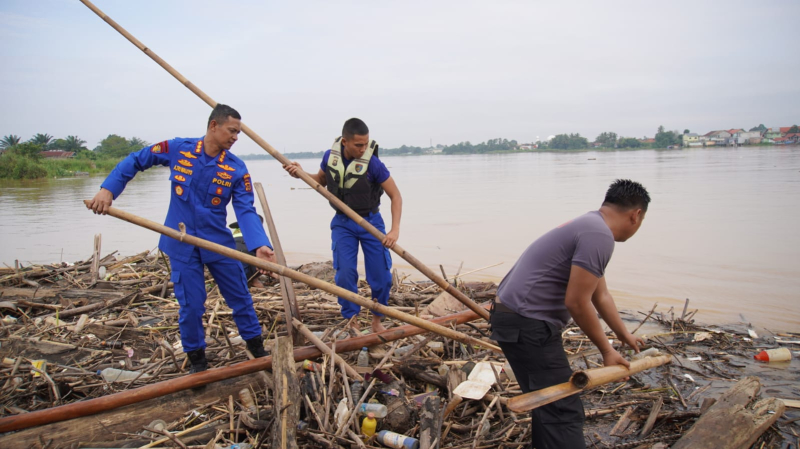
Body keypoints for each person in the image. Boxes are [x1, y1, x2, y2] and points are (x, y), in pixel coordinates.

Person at [87, 104, 276, 373]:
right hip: (181, 242)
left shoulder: (237, 168)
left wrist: (260, 245)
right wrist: (108, 190)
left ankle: (257, 350)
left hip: (218, 243)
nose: (235, 137)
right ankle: (198, 363)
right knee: (191, 305)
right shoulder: (179, 149)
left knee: (240, 297)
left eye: (238, 133)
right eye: (232, 131)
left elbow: (245, 209)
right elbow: (136, 160)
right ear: (214, 126)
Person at [490, 179, 649, 449]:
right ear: (636, 215)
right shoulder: (599, 236)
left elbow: (600, 295)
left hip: (513, 318)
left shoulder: (590, 225)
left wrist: (623, 335)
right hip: (528, 324)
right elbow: (577, 302)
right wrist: (606, 351)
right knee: (562, 407)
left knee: (547, 400)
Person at [283, 118, 402, 333]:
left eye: (366, 144)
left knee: (381, 276)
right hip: (343, 223)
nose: (363, 149)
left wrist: (394, 230)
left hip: (371, 222)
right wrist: (300, 173)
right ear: (344, 142)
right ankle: (352, 322)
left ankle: (377, 320)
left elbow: (396, 196)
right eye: (358, 145)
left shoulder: (373, 164)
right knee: (345, 273)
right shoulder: (330, 157)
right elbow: (320, 181)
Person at [230, 216, 267, 288]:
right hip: (245, 273)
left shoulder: (235, 232)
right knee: (265, 255)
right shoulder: (257, 233)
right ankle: (254, 280)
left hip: (229, 273)